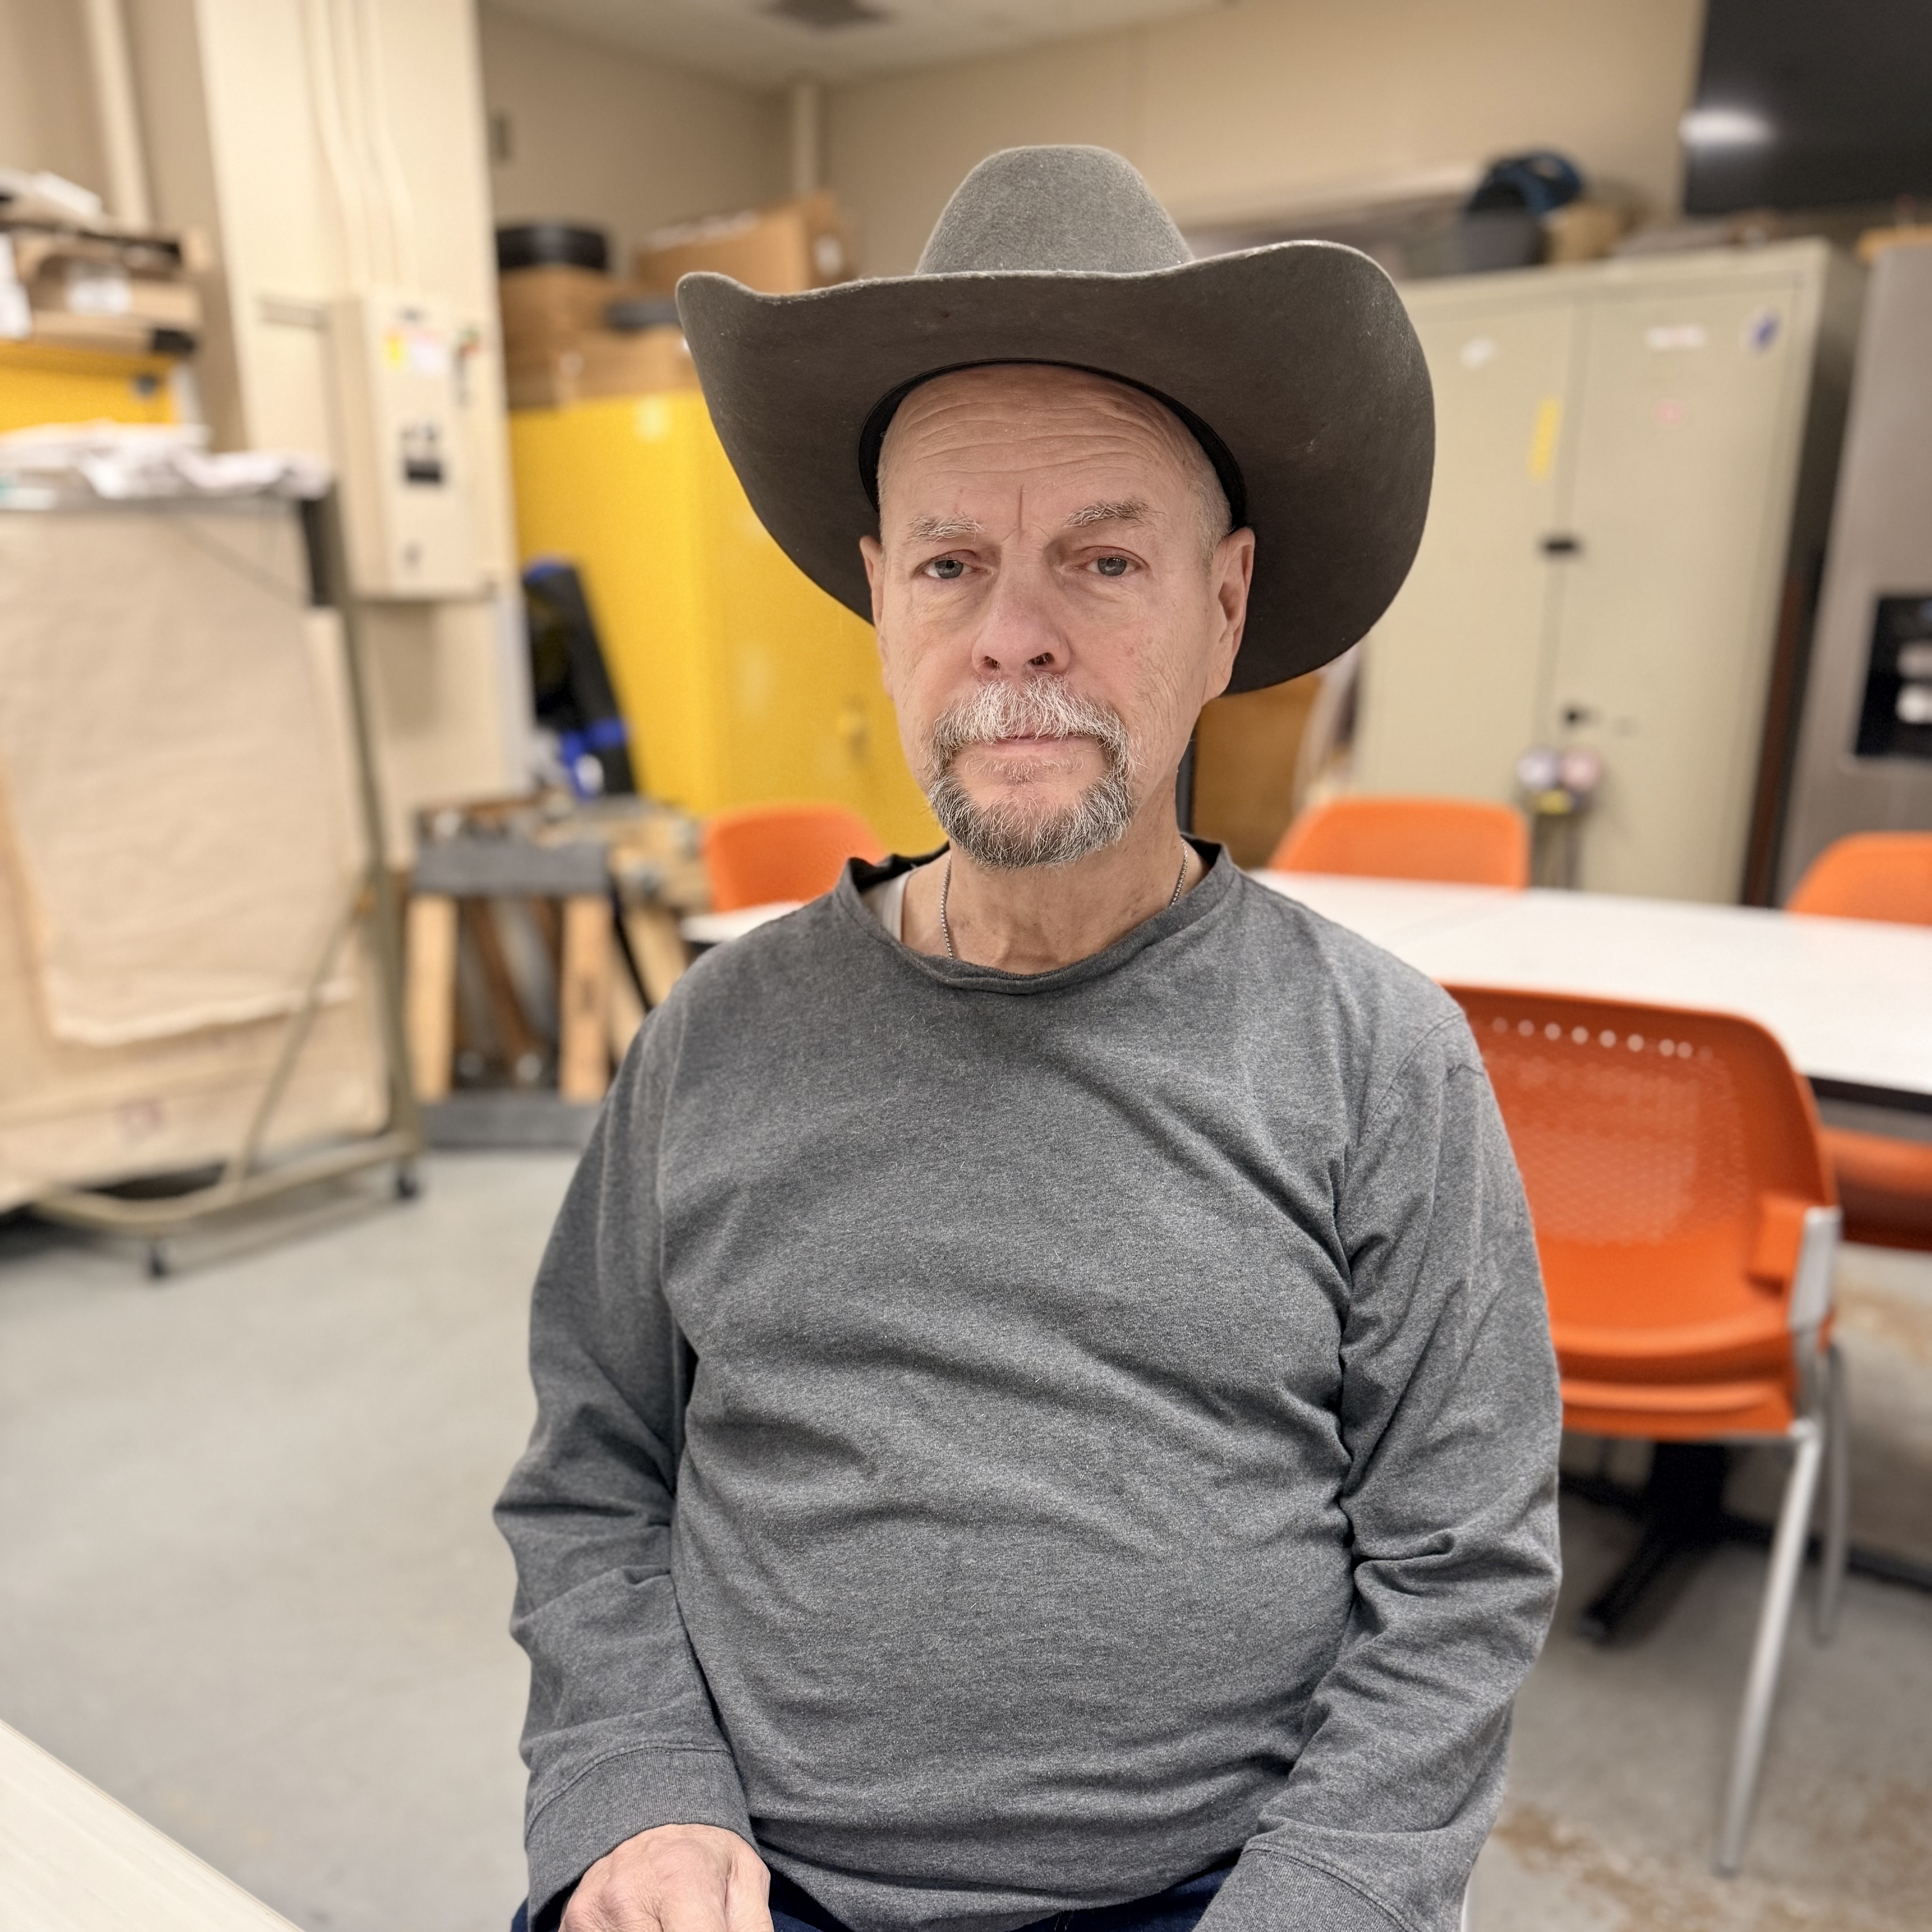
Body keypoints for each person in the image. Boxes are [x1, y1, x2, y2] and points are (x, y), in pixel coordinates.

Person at [497, 146, 1561, 1932]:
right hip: (753, 1889)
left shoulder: (1382, 1063)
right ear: (879, 598)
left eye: (1103, 558)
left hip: (1212, 1894)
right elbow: (595, 1482)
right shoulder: (720, 1037)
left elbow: (1460, 1576)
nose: (1013, 641)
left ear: (1224, 608)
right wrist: (635, 1795)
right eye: (952, 561)